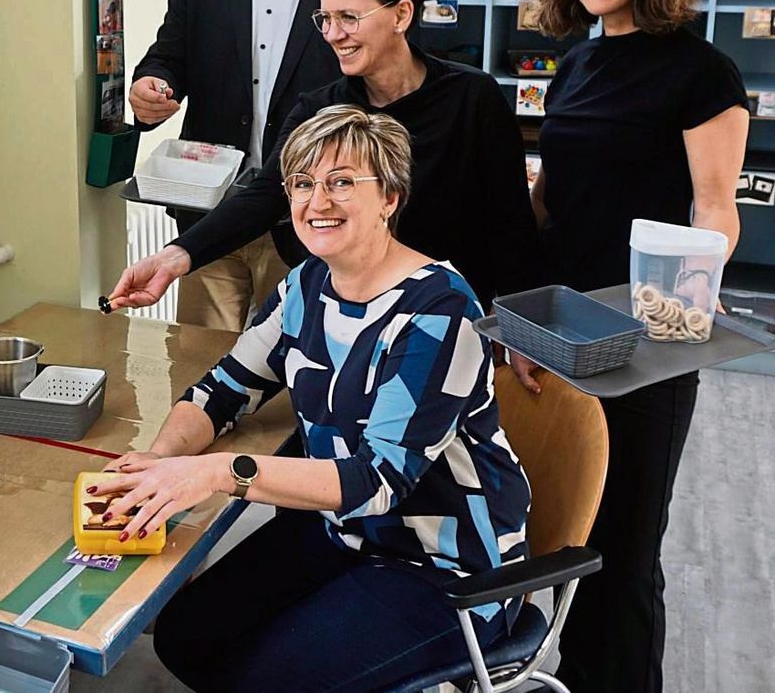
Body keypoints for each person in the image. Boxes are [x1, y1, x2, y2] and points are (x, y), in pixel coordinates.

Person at [93, 106, 531, 692]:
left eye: (342, 182)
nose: (316, 200)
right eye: (302, 183)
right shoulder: (307, 283)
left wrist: (218, 472)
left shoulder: (438, 312)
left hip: (441, 570)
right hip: (339, 535)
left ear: (390, 198)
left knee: (266, 680)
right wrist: (164, 458)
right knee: (185, 638)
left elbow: (375, 483)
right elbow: (224, 389)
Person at [112, 0, 541, 380]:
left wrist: (520, 329)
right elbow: (264, 196)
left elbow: (510, 223)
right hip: (347, 331)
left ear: (401, 14)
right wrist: (175, 257)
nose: (334, 35)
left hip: (444, 328)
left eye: (350, 18)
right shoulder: (319, 109)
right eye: (325, 19)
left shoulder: (472, 97)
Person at [529, 0, 749, 693]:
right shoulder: (576, 61)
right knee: (566, 531)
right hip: (557, 327)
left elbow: (716, 207)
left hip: (647, 334)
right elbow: (552, 196)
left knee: (623, 551)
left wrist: (695, 278)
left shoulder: (702, 72)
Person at [129, 0, 342, 332]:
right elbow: (168, 57)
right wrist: (149, 87)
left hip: (310, 220)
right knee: (200, 365)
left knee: (295, 373)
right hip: (211, 217)